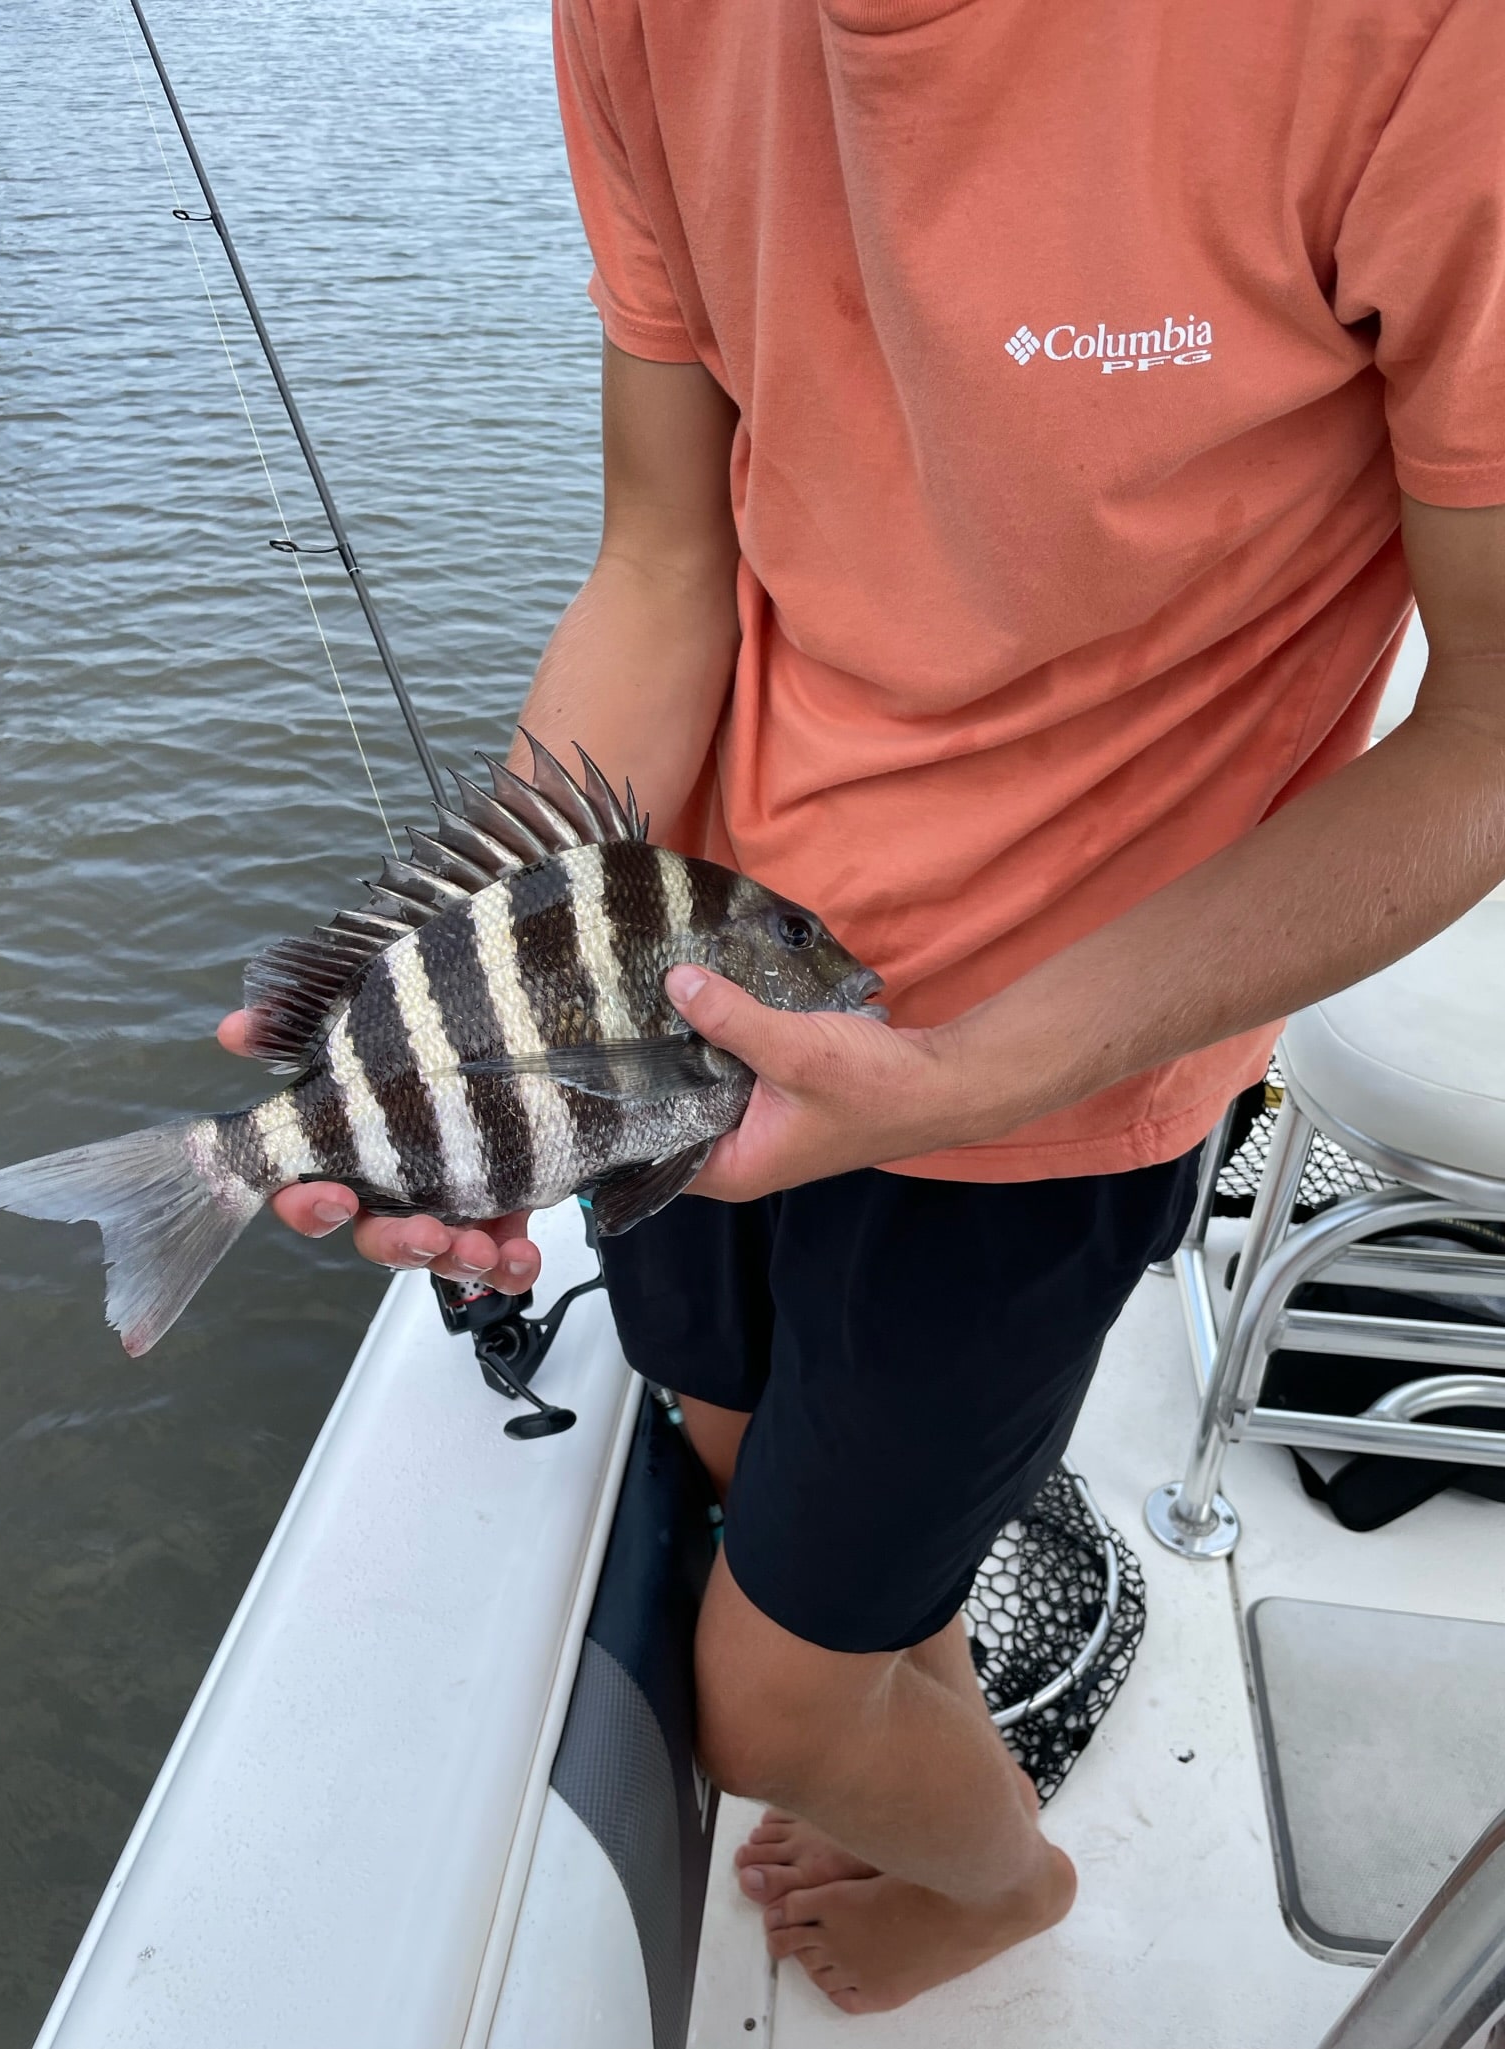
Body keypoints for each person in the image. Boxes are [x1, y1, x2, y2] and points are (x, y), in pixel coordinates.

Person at [222, 0, 1505, 2014]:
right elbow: (660, 558)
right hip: (687, 1036)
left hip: (1052, 1084)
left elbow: (1490, 738)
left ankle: (1006, 1875)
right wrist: (459, 983)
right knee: (746, 1457)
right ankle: (912, 1673)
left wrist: (961, 1069)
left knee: (768, 1708)